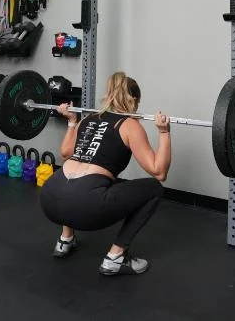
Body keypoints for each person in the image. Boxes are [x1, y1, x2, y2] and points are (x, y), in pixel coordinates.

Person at [39, 71, 172, 276]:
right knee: (154, 189)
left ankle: (65, 240)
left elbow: (65, 153)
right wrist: (164, 132)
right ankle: (115, 258)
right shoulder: (129, 125)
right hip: (83, 205)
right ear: (134, 100)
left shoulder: (90, 118)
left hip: (50, 198)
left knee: (81, 184)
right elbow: (159, 171)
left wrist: (72, 121)